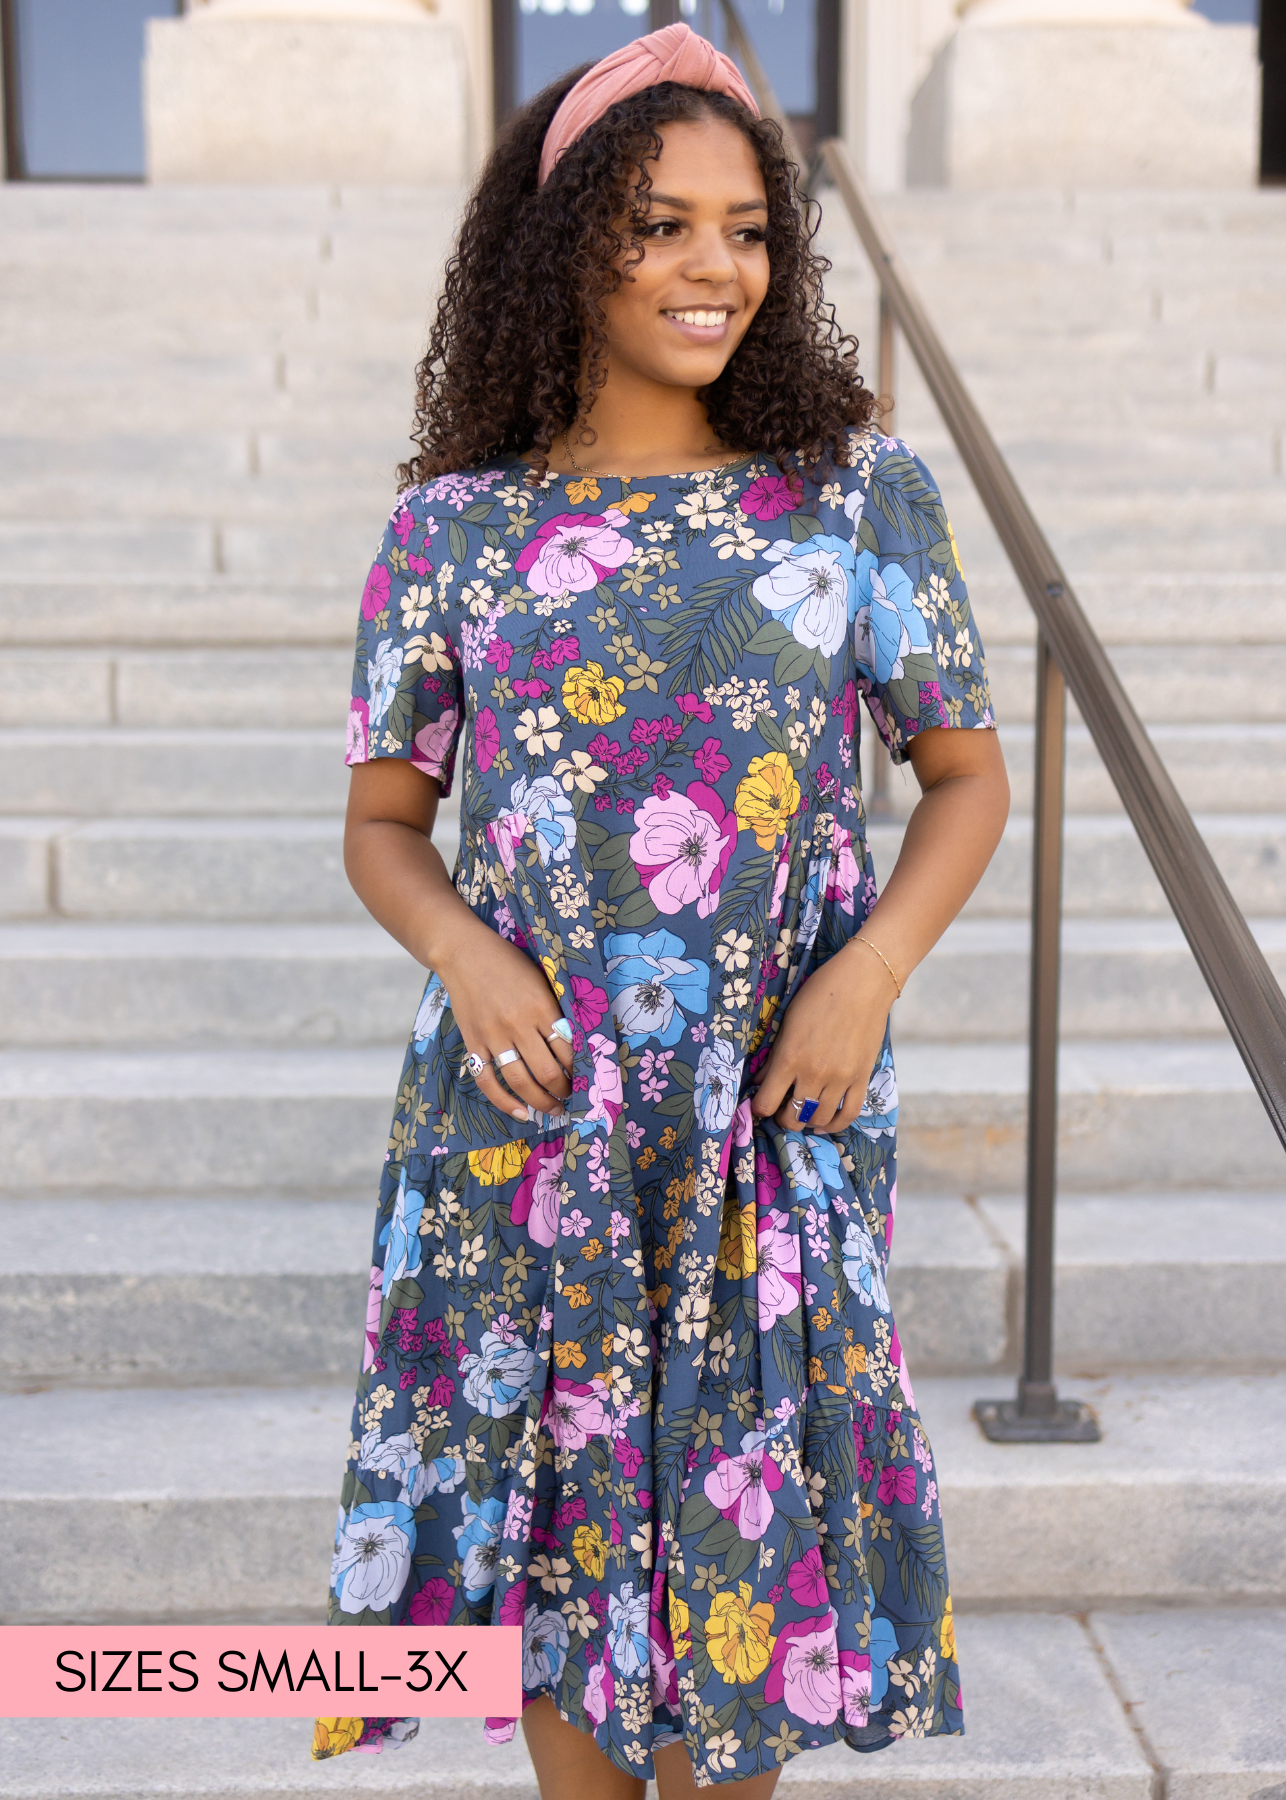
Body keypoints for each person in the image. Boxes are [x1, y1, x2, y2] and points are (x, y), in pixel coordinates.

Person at [311, 22, 1008, 1796]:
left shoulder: (854, 496)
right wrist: (462, 949)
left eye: (748, 228)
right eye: (661, 223)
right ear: (564, 250)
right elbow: (386, 824)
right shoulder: (453, 531)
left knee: (740, 1572)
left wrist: (869, 975)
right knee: (552, 1551)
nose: (717, 266)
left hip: (770, 1116)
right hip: (527, 1117)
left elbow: (965, 774)